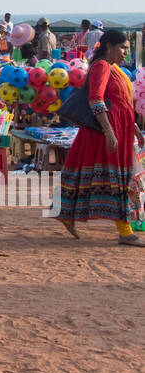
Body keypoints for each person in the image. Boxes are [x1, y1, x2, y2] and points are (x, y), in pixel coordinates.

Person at [58, 28, 145, 246]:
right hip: (109, 133)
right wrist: (109, 132)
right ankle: (125, 232)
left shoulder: (114, 68)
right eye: (122, 47)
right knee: (119, 180)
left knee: (106, 178)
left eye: (127, 48)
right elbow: (96, 100)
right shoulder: (102, 67)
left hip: (119, 131)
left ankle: (67, 214)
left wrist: (133, 126)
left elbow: (121, 100)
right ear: (109, 46)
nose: (126, 52)